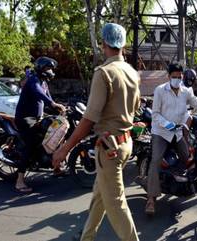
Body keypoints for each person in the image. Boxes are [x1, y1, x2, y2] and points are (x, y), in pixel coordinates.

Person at [52, 23, 140, 241]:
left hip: (109, 148)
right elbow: (135, 108)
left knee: (116, 204)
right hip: (125, 142)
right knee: (100, 197)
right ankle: (87, 238)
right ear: (123, 45)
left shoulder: (104, 73)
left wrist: (64, 149)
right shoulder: (131, 72)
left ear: (103, 44)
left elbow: (88, 119)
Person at [145, 63, 197, 215]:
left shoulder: (186, 91)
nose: (177, 80)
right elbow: (155, 114)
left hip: (177, 132)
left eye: (179, 77)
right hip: (161, 132)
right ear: (168, 77)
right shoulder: (160, 91)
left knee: (188, 158)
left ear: (183, 77)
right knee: (155, 160)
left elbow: (196, 103)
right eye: (174, 77)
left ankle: (184, 184)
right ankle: (151, 199)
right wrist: (167, 124)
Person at [14, 56, 65, 193]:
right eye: (48, 68)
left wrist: (60, 106)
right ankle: (19, 181)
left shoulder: (44, 82)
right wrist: (53, 104)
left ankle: (56, 167)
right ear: (41, 69)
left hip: (37, 117)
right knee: (30, 144)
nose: (51, 71)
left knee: (54, 133)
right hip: (26, 119)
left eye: (51, 69)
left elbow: (48, 97)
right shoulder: (33, 80)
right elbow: (38, 93)